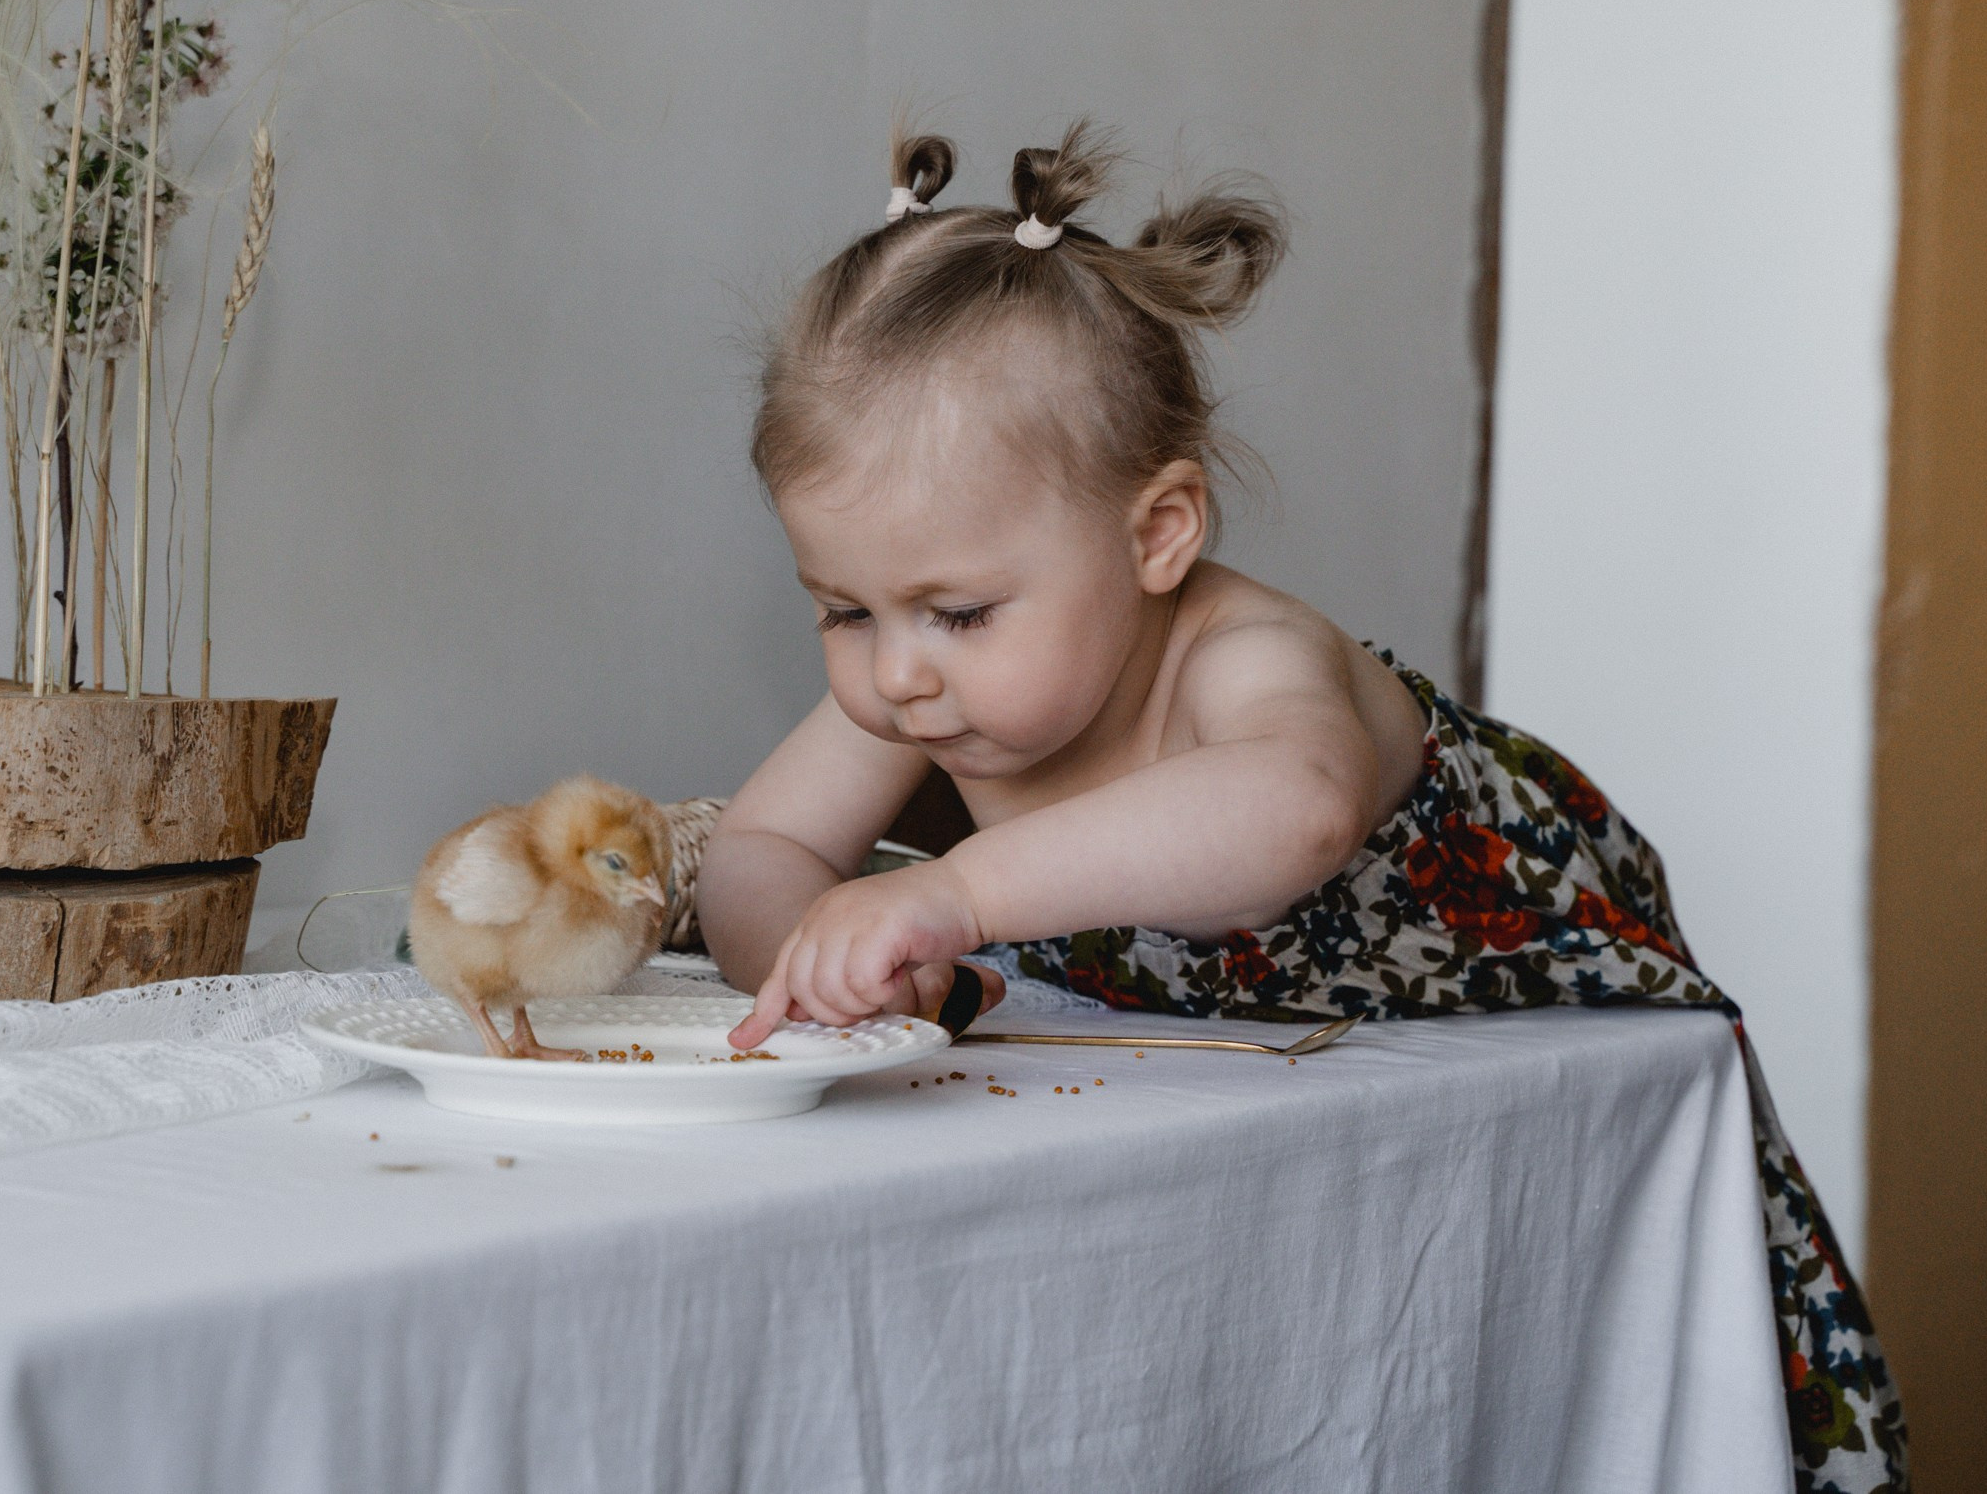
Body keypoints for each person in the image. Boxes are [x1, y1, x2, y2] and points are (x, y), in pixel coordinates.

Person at [692, 121, 1903, 1494]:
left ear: (1158, 534)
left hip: (1513, 979)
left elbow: (1295, 816)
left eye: (957, 611)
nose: (897, 671)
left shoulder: (1246, 659)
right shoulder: (934, 690)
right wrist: (823, 968)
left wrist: (954, 893)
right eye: (843, 611)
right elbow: (760, 847)